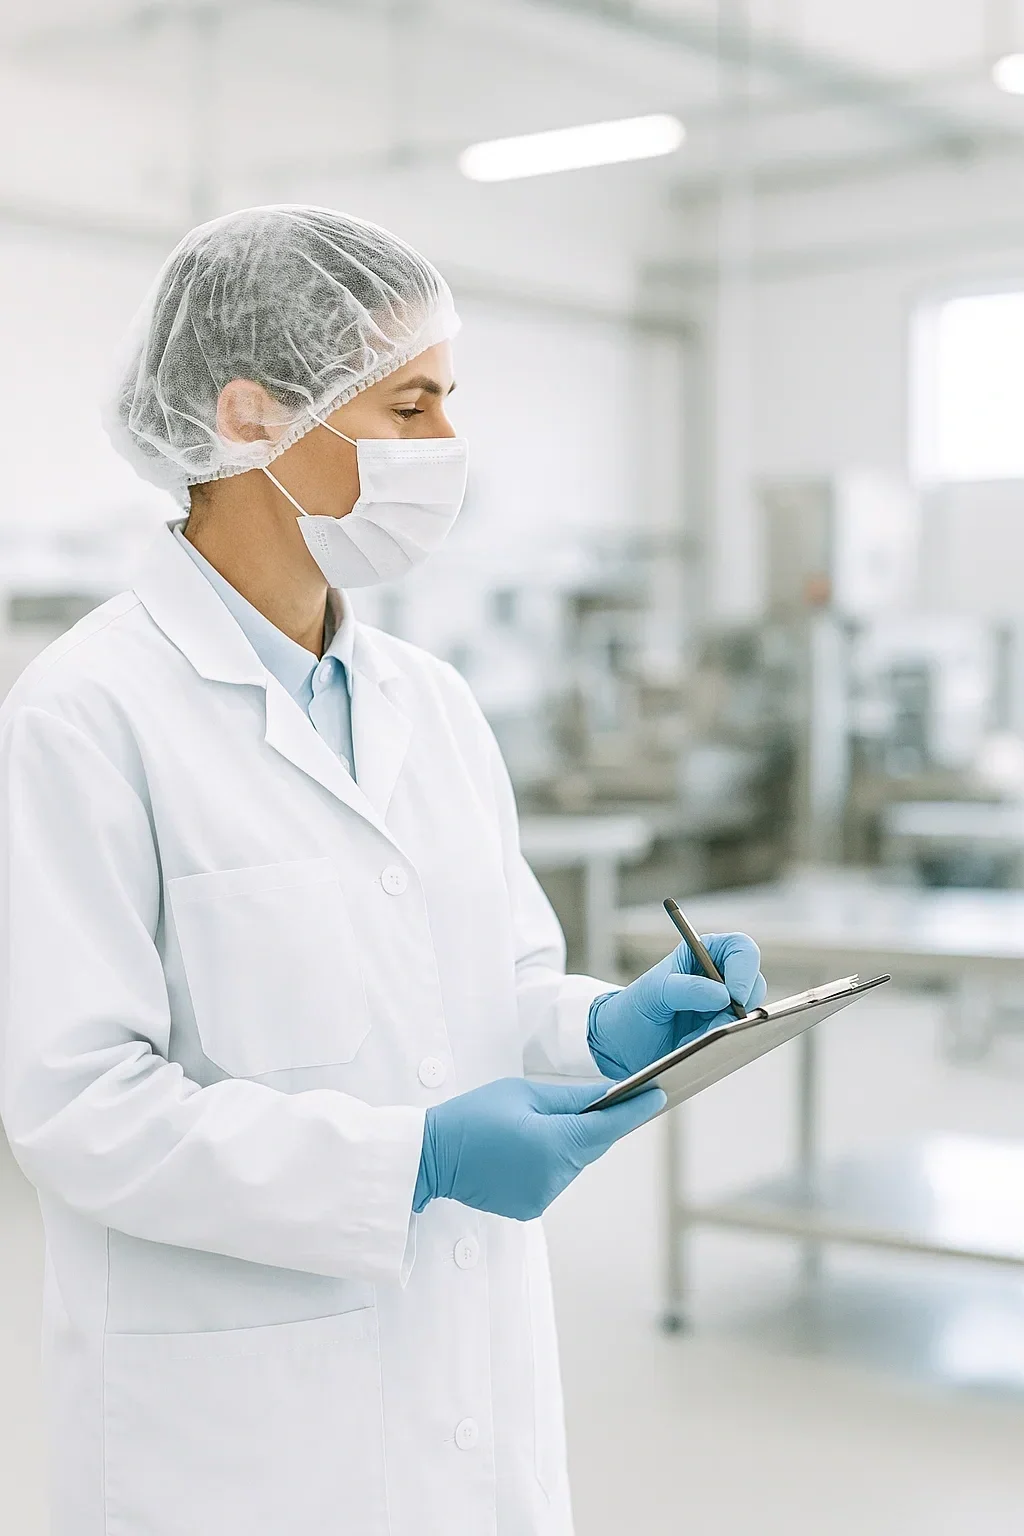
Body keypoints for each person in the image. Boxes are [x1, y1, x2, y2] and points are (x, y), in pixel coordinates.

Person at [0, 205, 765, 1536]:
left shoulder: (432, 702)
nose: (447, 446)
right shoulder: (86, 714)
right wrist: (409, 1162)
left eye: (448, 401)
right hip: (234, 1445)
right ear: (250, 415)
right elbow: (82, 1111)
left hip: (465, 1402)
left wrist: (599, 1026)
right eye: (411, 406)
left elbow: (489, 989)